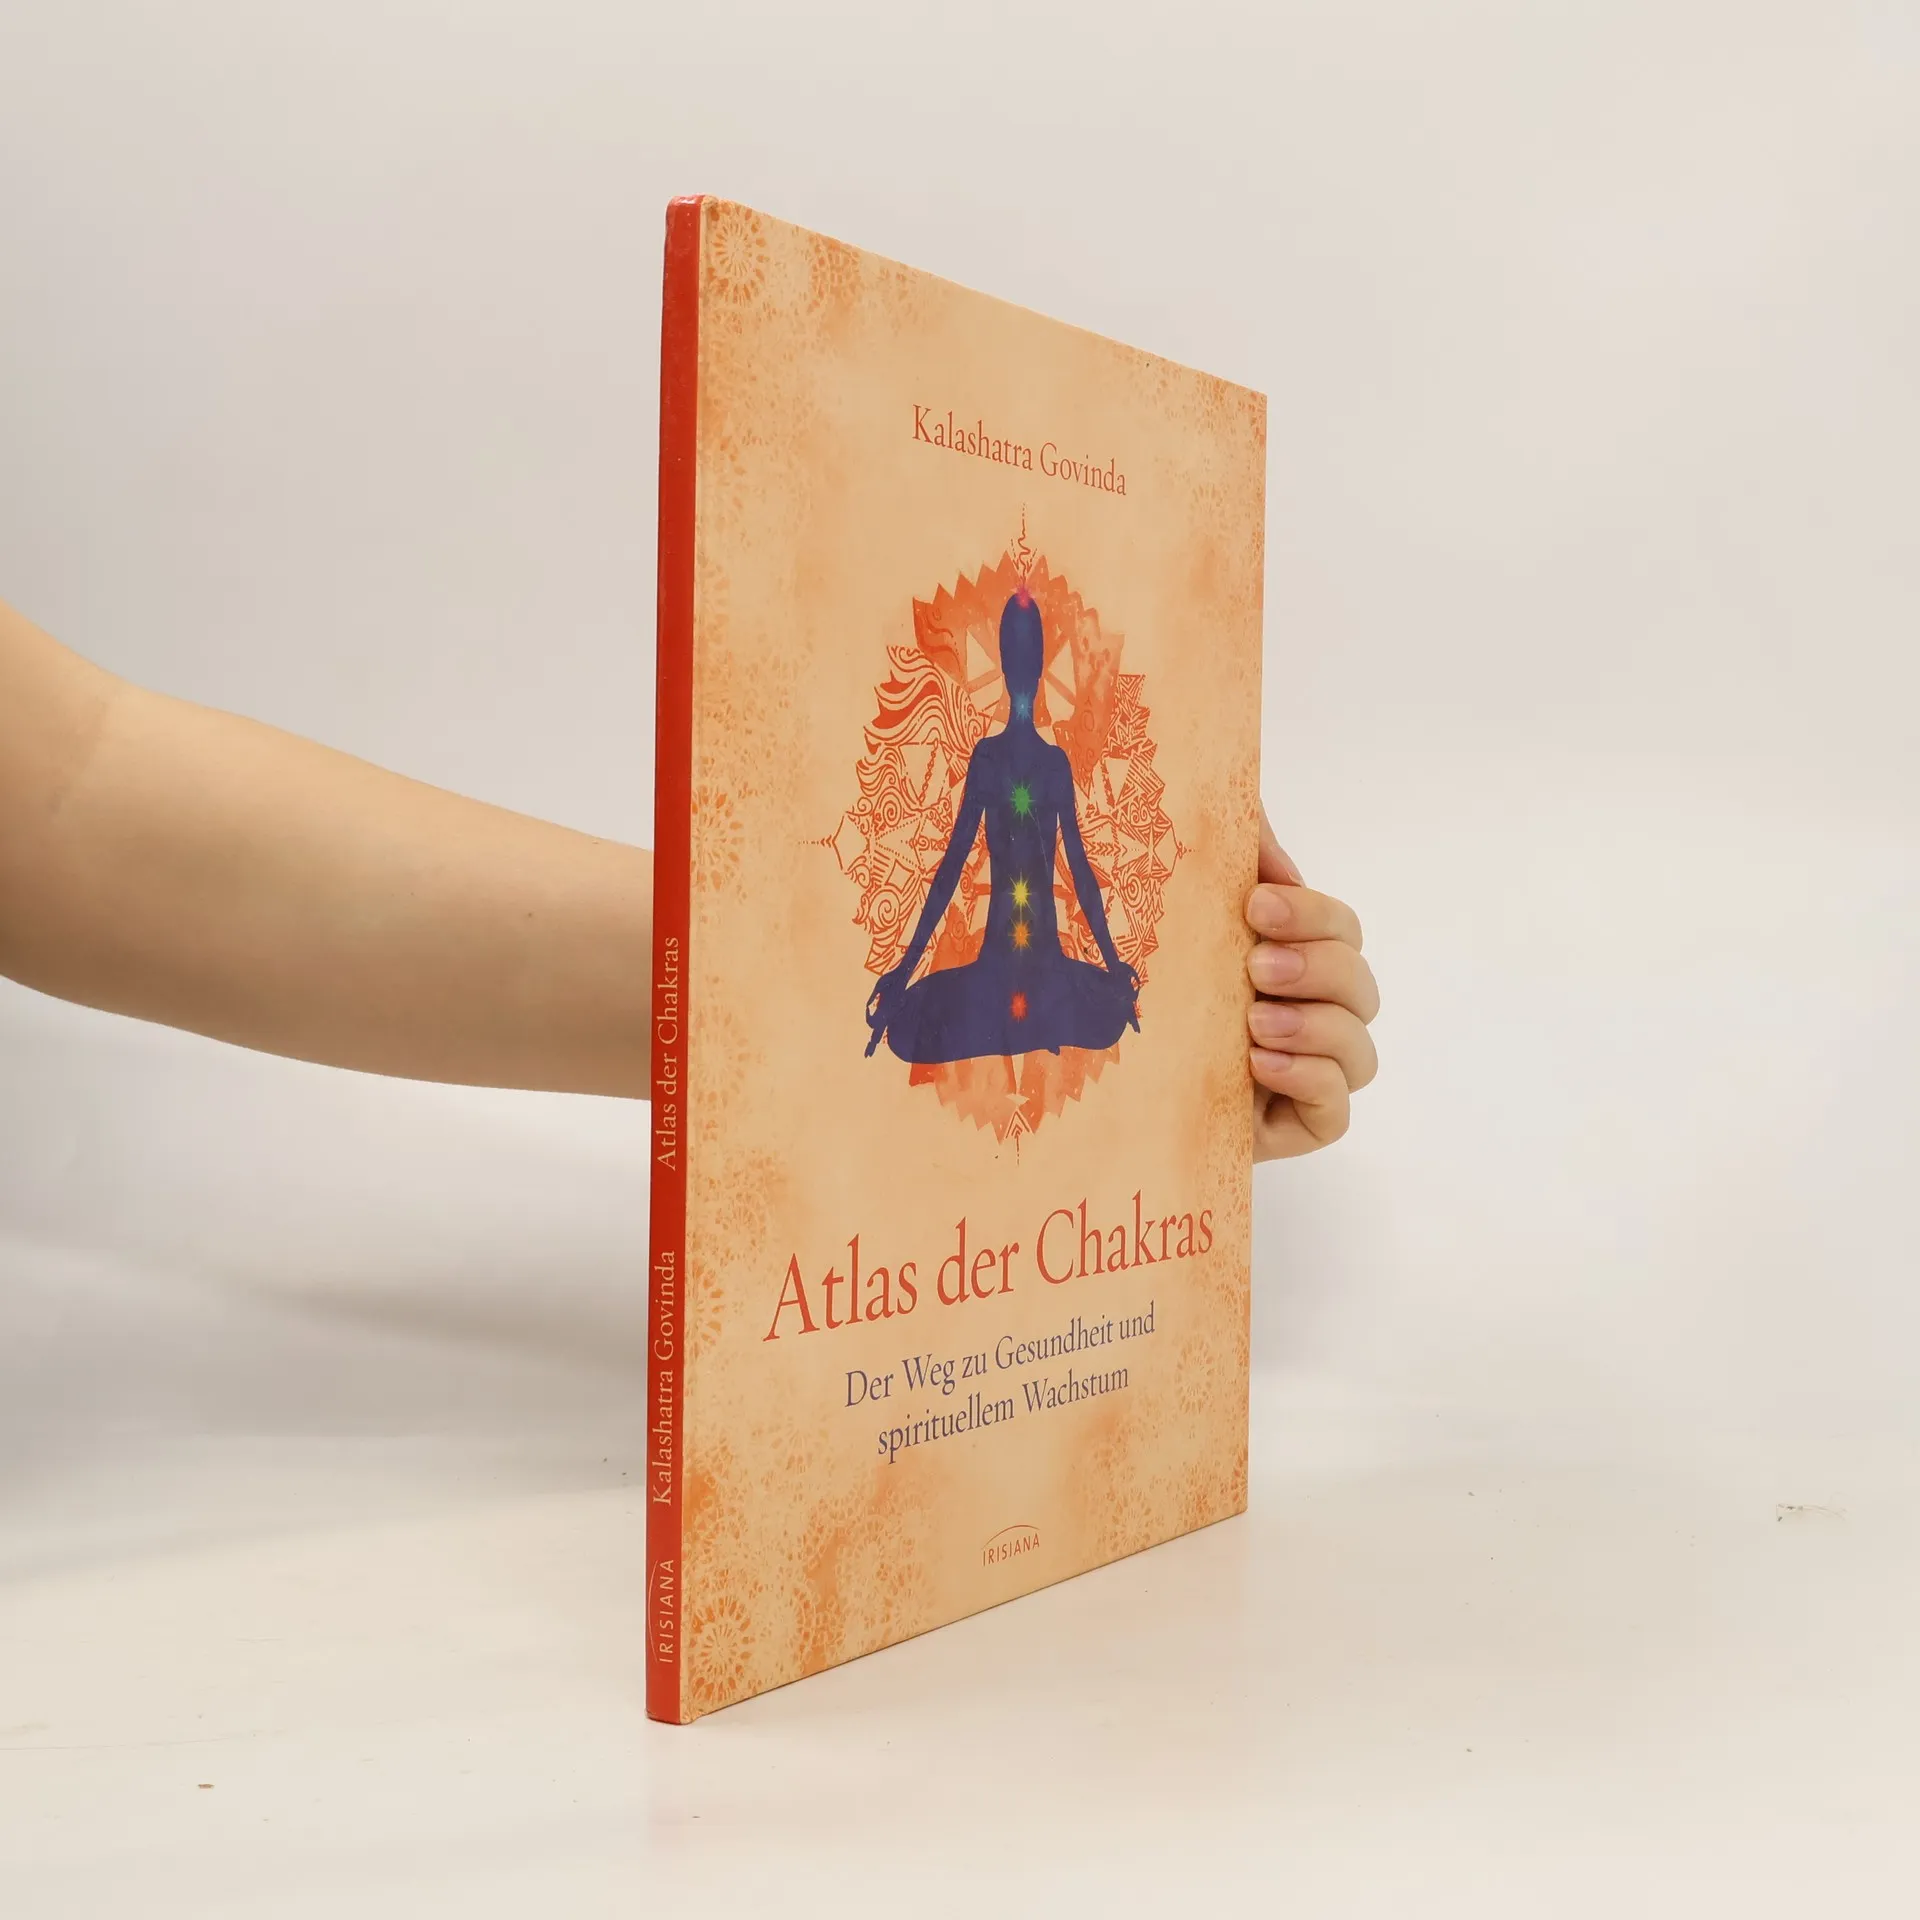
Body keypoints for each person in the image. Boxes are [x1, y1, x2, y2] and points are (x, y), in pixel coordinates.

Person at [0, 593, 1378, 1159]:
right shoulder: (988, 767)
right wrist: (896, 980)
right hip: (985, 971)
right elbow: (956, 870)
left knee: (1043, 1002)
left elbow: (78, 806)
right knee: (947, 1006)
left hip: (1028, 972)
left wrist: (1150, 1023)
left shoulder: (1045, 769)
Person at [866, 586, 1140, 1063]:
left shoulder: (995, 759)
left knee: (906, 1032)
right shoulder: (1044, 763)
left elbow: (951, 871)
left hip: (998, 981)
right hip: (1042, 981)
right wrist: (1113, 969)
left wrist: (904, 974)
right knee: (1107, 1017)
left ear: (1008, 666)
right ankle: (1038, 1024)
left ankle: (1004, 1026)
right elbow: (1079, 873)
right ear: (1036, 668)